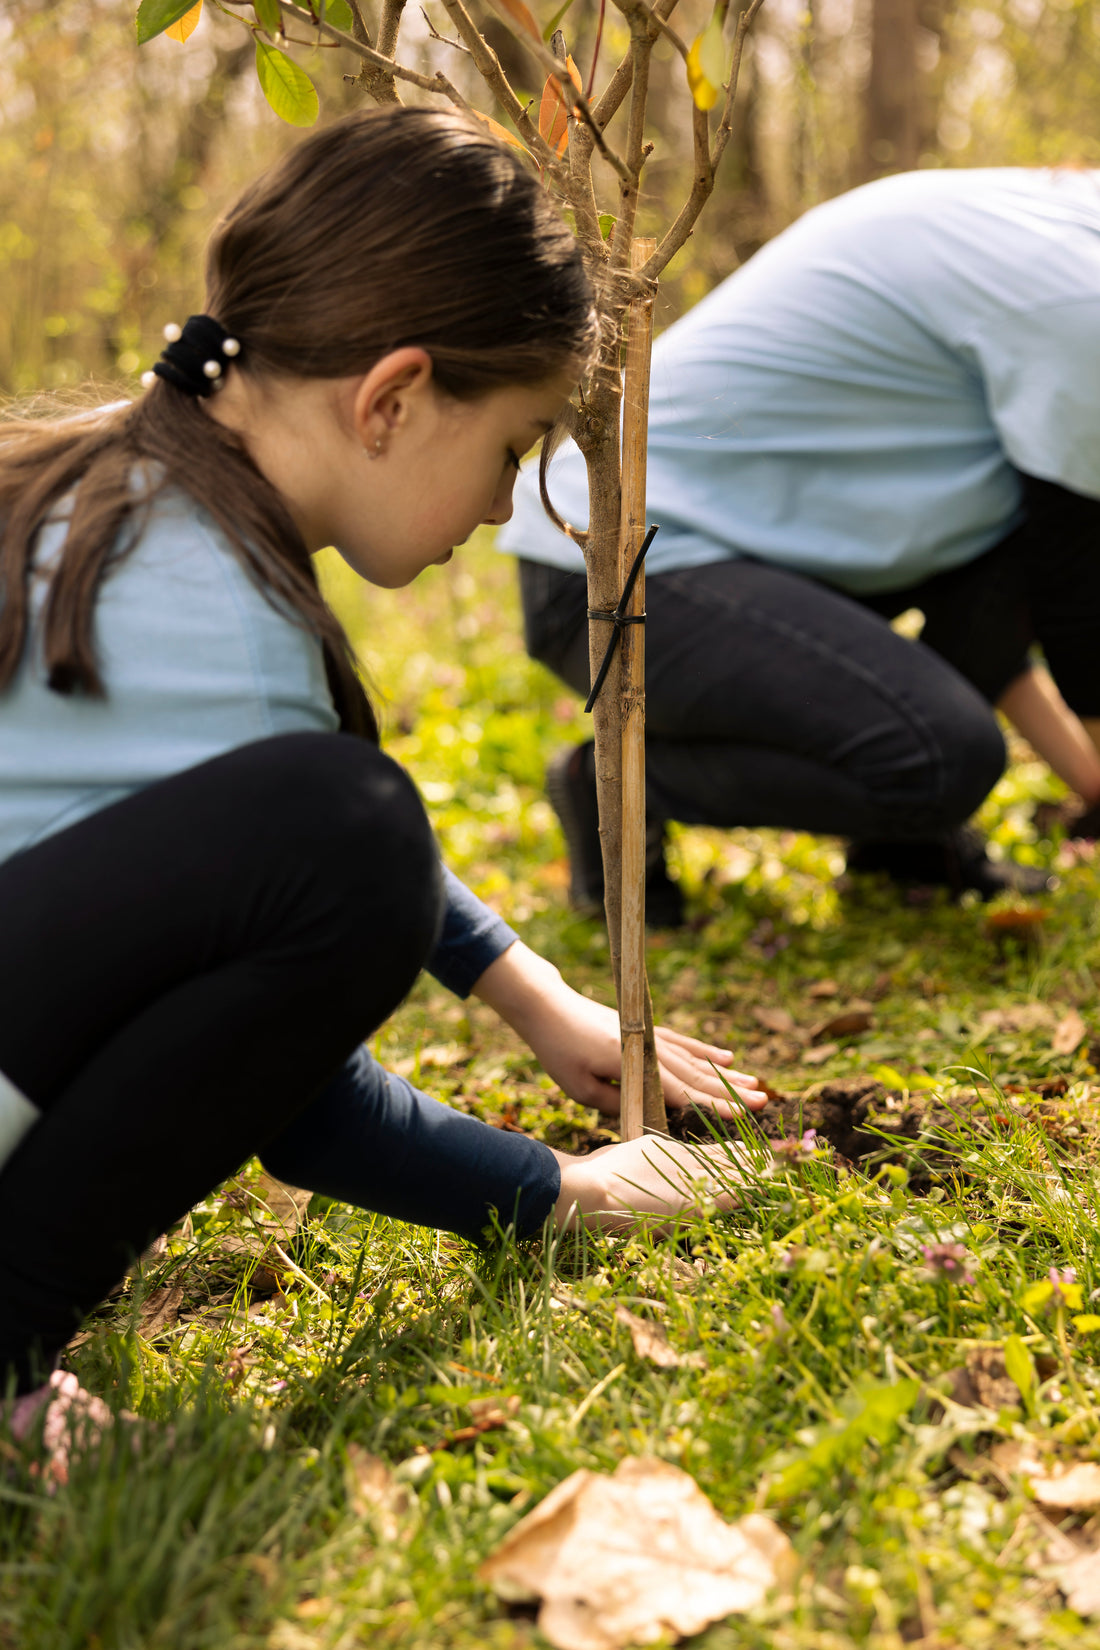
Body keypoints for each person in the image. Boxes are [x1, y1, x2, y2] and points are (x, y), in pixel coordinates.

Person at [0, 108, 765, 1460]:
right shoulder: (224, 627)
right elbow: (301, 1079)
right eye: (515, 446)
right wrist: (561, 1194)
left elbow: (232, 854)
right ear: (395, 398)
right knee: (350, 833)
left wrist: (532, 997)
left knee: (341, 826)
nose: (498, 507)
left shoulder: (114, 490)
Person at [501, 166, 1100, 924]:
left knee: (1002, 567)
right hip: (615, 556)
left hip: (738, 548)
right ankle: (619, 783)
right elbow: (1080, 599)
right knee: (949, 754)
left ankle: (904, 846)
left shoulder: (1040, 224)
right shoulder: (1075, 290)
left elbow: (999, 599)